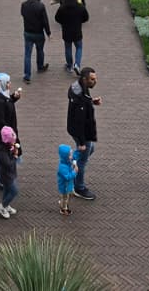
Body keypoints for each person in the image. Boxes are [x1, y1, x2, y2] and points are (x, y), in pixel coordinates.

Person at [66, 66, 99, 200]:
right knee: (83, 160)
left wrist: (91, 102)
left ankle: (71, 161)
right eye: (92, 79)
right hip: (82, 132)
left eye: (95, 78)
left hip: (82, 130)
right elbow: (79, 122)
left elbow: (84, 102)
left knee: (90, 149)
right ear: (84, 79)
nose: (95, 82)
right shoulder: (79, 96)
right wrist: (80, 142)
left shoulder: (80, 88)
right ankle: (79, 187)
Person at [20, 0, 51, 84]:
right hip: (38, 33)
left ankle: (27, 75)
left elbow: (23, 15)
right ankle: (40, 66)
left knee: (27, 55)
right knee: (40, 50)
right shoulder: (40, 6)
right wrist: (48, 33)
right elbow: (45, 21)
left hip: (28, 32)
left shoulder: (24, 5)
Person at [54, 0, 88, 73]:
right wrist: (80, 21)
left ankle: (69, 65)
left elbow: (57, 18)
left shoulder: (62, 7)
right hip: (77, 31)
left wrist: (63, 23)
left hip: (66, 31)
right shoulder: (80, 6)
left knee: (68, 48)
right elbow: (86, 17)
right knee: (79, 48)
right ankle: (77, 64)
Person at [0, 124, 20, 220]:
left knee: (7, 189)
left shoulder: (4, 146)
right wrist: (15, 156)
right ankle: (2, 206)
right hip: (6, 175)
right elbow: (8, 164)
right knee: (14, 191)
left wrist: (12, 150)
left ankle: (6, 205)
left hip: (7, 174)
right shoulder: (2, 151)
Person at [56, 143, 77, 216]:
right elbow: (67, 177)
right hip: (64, 187)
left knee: (66, 197)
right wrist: (74, 172)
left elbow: (74, 156)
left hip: (68, 186)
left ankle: (63, 202)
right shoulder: (62, 167)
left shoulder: (68, 162)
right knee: (65, 198)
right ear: (66, 156)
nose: (72, 156)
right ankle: (63, 209)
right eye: (70, 154)